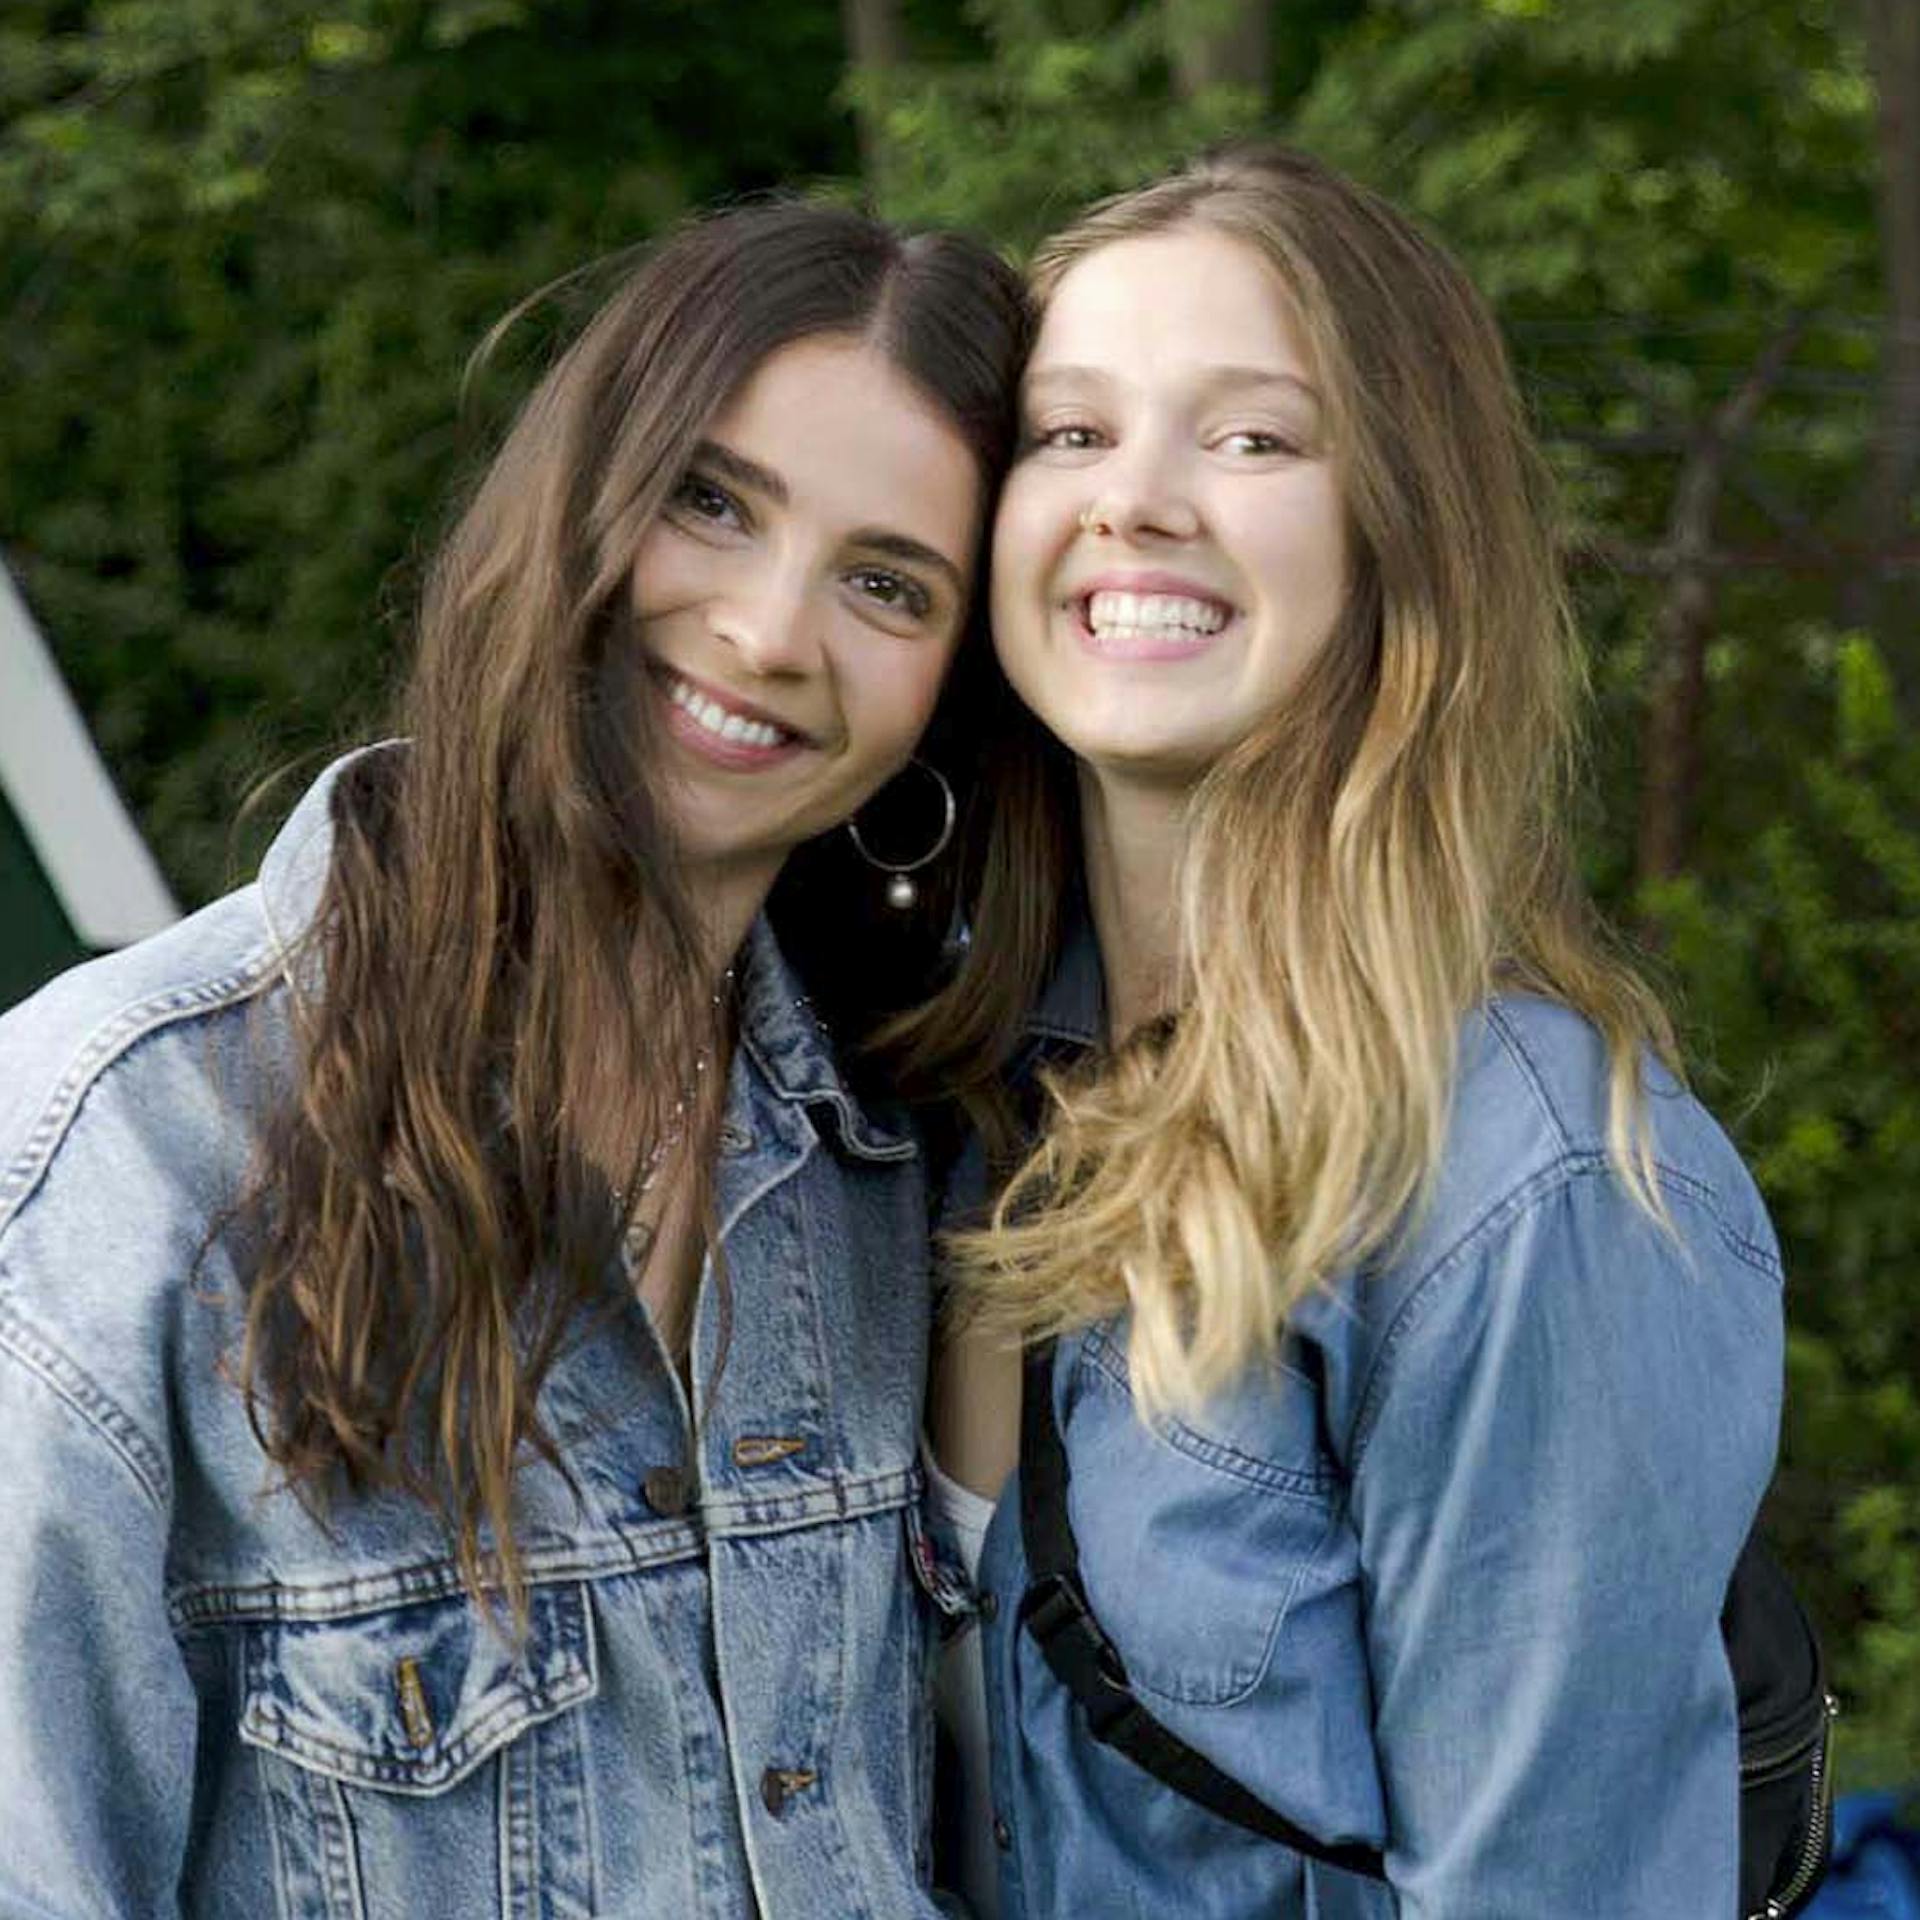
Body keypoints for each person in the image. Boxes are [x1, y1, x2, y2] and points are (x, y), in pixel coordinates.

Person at [0, 198, 1031, 1917]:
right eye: (713, 502)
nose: (773, 632)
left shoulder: (893, 1164)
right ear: (575, 499)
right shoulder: (123, 1145)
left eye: (886, 584)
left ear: (950, 694)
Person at [900, 145, 1789, 1917]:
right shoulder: (933, 1093)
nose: (1134, 500)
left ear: (1405, 528)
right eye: (1072, 432)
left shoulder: (1532, 1189)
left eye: (1253, 440)